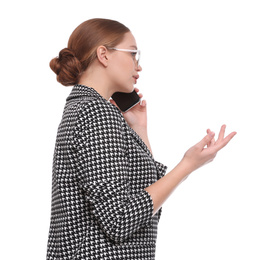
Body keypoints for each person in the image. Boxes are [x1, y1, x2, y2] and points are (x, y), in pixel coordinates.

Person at [47, 18, 236, 260]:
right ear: (103, 55)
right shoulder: (96, 112)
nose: (138, 66)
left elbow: (142, 205)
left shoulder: (83, 108)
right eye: (133, 54)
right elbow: (120, 221)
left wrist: (139, 129)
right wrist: (187, 165)